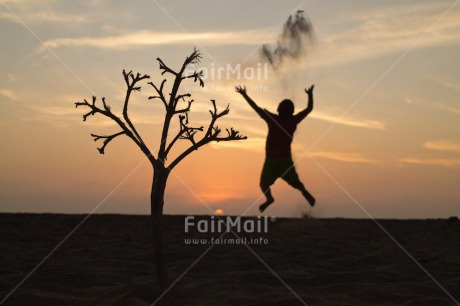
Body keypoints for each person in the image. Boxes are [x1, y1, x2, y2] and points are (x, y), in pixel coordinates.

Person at [235, 85, 316, 213]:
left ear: (279, 109)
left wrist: (244, 95)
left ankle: (269, 198)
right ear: (291, 111)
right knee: (295, 182)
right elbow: (309, 109)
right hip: (285, 160)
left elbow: (256, 108)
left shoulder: (273, 119)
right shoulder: (293, 121)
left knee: (264, 184)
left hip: (271, 160)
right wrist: (310, 94)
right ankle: (304, 191)